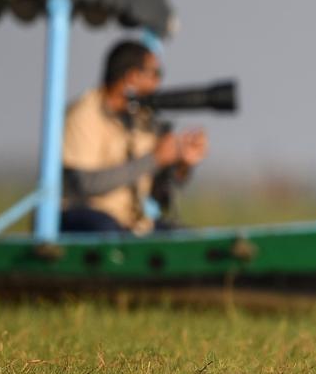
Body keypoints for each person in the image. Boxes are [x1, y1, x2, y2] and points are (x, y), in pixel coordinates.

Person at [61, 40, 208, 234]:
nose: (158, 83)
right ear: (131, 77)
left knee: (187, 240)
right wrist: (155, 158)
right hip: (81, 217)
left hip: (130, 223)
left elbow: (160, 195)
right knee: (107, 230)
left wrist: (182, 164)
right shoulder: (84, 114)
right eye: (155, 74)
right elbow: (84, 184)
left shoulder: (141, 119)